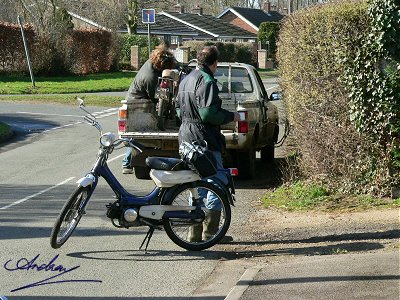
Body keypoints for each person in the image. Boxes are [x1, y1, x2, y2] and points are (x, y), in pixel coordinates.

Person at [176, 46, 240, 242]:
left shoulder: (186, 79)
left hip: (185, 134)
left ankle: (193, 233)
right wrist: (231, 116)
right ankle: (211, 232)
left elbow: (178, 110)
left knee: (196, 184)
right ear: (215, 64)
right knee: (216, 181)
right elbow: (208, 113)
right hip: (204, 138)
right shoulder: (208, 81)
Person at [122, 44, 176, 174]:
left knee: (137, 132)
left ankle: (127, 163)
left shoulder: (152, 62)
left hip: (139, 98)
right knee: (138, 132)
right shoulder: (150, 77)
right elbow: (156, 97)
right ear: (162, 65)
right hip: (137, 102)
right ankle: (127, 163)